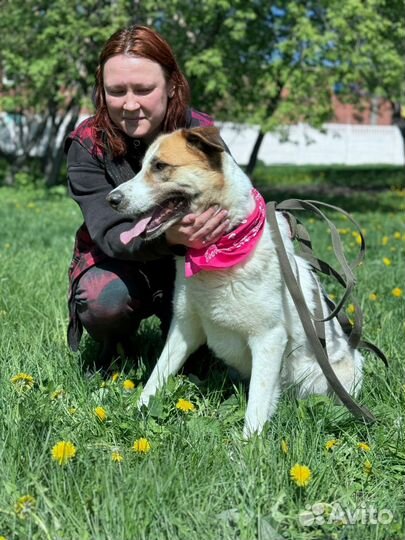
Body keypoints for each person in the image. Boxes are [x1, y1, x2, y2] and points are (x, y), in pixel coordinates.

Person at [65, 25, 229, 364]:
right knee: (103, 301)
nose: (129, 103)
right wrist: (169, 237)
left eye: (143, 89)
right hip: (120, 258)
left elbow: (230, 197)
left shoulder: (197, 134)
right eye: (116, 90)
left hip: (193, 259)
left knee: (202, 360)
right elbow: (110, 234)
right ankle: (116, 350)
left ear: (171, 85)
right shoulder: (87, 144)